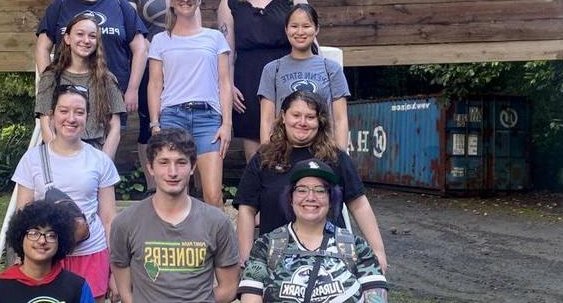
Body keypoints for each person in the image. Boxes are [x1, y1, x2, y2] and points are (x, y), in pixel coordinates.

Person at [234, 90, 388, 272]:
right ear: (283, 117)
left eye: (310, 117)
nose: (302, 122)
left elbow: (359, 205)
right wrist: (246, 259)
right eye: (296, 115)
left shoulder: (335, 157)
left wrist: (378, 252)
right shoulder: (264, 158)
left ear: (319, 121)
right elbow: (246, 209)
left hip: (332, 260)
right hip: (277, 261)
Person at [13, 85, 120, 302]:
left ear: (87, 117)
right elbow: (22, 217)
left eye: (79, 112)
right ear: (52, 115)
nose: (71, 118)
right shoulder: (32, 160)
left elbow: (109, 218)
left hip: (92, 253)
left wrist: (115, 270)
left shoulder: (100, 160)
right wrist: (20, 257)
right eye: (64, 111)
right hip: (46, 256)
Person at [109, 128, 240, 303]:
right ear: (150, 168)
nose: (173, 172)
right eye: (163, 162)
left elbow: (229, 288)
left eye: (181, 162)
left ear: (193, 166)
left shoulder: (217, 222)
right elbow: (124, 287)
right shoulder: (125, 222)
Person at [238, 159, 388, 302]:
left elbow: (376, 297)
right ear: (291, 198)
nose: (310, 197)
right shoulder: (265, 246)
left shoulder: (356, 248)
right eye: (302, 190)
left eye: (320, 190)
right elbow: (251, 297)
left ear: (331, 199)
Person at [217, 0, 309, 161]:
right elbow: (226, 53)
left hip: (288, 78)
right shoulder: (229, 1)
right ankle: (259, 195)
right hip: (248, 82)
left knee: (292, 141)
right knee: (256, 154)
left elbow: (308, 38)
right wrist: (229, 86)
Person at [35, 0, 148, 122]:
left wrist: (132, 89)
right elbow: (42, 48)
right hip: (67, 99)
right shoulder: (60, 5)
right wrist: (49, 84)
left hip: (111, 96)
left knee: (108, 146)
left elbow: (140, 49)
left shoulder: (121, 6)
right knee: (67, 146)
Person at [147, 0, 232, 208]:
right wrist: (155, 124)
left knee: (213, 195)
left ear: (199, 1)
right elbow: (155, 84)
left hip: (208, 119)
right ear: (172, 2)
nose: (186, 0)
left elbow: (224, 82)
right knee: (173, 189)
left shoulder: (214, 38)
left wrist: (226, 124)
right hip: (173, 116)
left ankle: (216, 244)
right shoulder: (160, 40)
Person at [258, 3, 350, 149]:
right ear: (286, 29)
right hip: (284, 150)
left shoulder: (331, 69)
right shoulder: (272, 69)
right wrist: (267, 156)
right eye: (294, 26)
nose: (300, 32)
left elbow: (340, 119)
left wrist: (341, 158)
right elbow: (267, 119)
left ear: (316, 29)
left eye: (306, 26)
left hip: (322, 150)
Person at [35, 12, 126, 156]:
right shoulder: (51, 77)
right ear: (67, 38)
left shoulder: (107, 79)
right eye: (80, 34)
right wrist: (60, 158)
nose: (86, 40)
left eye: (92, 36)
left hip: (95, 152)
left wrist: (104, 163)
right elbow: (45, 124)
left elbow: (115, 127)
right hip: (58, 152)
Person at [124, 0, 173, 190]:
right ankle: (153, 185)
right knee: (148, 123)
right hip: (147, 66)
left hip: (178, 67)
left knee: (179, 122)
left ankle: (189, 186)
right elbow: (132, 29)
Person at [0, 200, 95, 303]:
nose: (42, 241)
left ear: (60, 240)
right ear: (21, 238)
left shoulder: (77, 287)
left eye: (51, 235)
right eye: (33, 233)